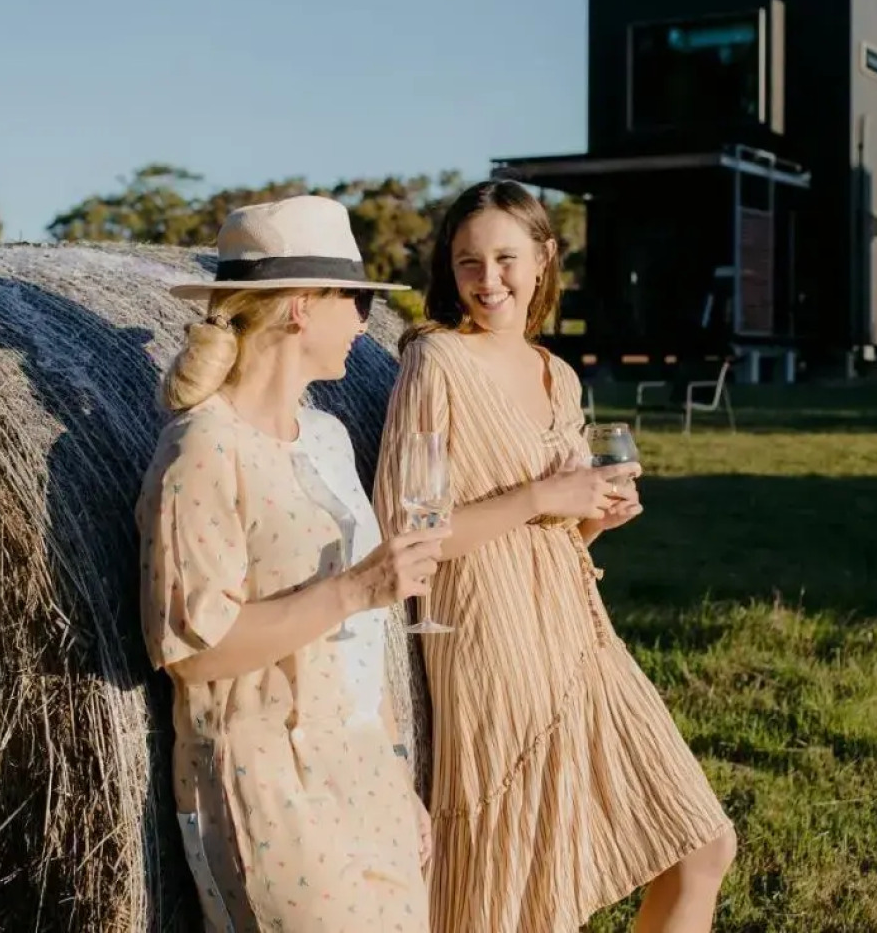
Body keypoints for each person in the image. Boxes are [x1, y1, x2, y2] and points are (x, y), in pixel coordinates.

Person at [374, 180, 736, 933]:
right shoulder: (435, 362)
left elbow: (559, 524)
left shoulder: (557, 374)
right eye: (468, 261)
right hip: (489, 633)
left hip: (577, 629)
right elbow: (407, 535)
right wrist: (544, 499)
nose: (487, 279)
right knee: (521, 889)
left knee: (702, 845)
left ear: (543, 258)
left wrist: (595, 518)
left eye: (505, 257)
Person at [138, 195, 445, 933]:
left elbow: (364, 650)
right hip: (265, 782)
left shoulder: (327, 435)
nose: (365, 321)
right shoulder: (201, 451)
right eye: (358, 299)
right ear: (302, 307)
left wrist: (397, 775)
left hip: (364, 765)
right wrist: (358, 587)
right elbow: (192, 652)